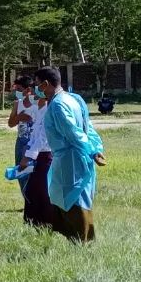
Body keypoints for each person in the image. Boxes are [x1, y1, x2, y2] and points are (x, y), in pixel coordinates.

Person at [33, 67, 106, 242]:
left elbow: (74, 132)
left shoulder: (58, 105)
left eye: (37, 84)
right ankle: (76, 237)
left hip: (70, 159)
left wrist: (93, 150)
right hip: (75, 156)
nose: (36, 89)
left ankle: (82, 240)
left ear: (45, 84)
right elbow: (89, 128)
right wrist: (95, 148)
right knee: (70, 196)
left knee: (74, 199)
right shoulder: (73, 98)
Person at [17, 83, 53, 227]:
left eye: (35, 91)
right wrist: (28, 152)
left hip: (46, 155)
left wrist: (28, 156)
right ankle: (34, 223)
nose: (32, 94)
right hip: (36, 156)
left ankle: (47, 223)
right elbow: (34, 135)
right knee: (32, 190)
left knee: (43, 191)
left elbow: (43, 138)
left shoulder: (48, 110)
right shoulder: (38, 110)